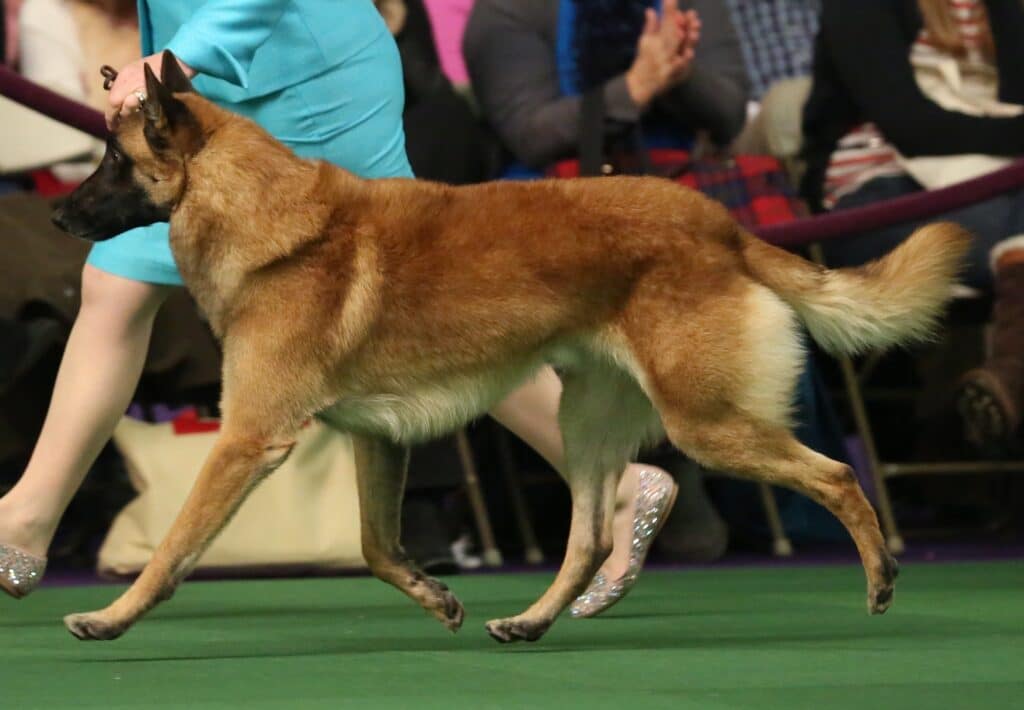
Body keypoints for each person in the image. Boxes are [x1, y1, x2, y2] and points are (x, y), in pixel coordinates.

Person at [0, 0, 674, 603]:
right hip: (204, 91)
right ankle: (26, 519)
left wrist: (179, 56)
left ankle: (615, 485)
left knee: (424, 303)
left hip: (303, 75)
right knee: (114, 283)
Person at [801, 0, 1024, 451]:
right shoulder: (862, 10)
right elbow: (914, 128)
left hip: (1001, 189)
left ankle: (1010, 377)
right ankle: (1009, 377)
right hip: (880, 196)